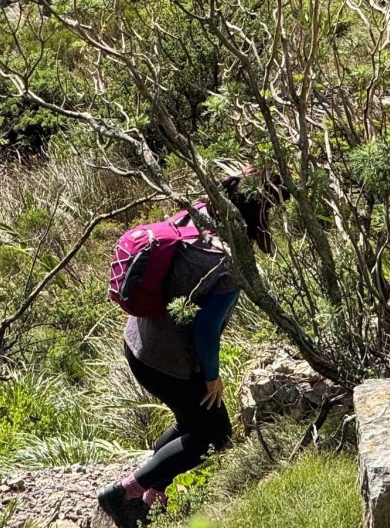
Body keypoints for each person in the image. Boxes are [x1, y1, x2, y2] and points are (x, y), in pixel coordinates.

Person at [98, 171, 276, 528]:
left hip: (138, 343)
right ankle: (124, 493)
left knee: (190, 420)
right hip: (169, 361)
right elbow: (206, 331)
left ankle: (151, 493)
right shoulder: (229, 263)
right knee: (215, 432)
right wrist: (212, 377)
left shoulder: (195, 215)